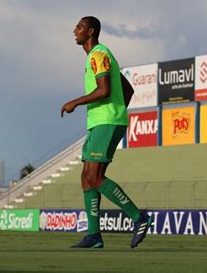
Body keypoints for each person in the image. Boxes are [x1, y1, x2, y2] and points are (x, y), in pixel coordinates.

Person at [61, 16, 153, 249]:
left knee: (94, 176)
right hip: (102, 122)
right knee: (86, 177)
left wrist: (76, 102)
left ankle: (138, 217)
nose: (75, 30)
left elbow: (104, 89)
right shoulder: (100, 56)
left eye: (79, 27)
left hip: (106, 122)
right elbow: (128, 89)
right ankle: (94, 236)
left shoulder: (99, 54)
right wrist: (117, 110)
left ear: (90, 32)